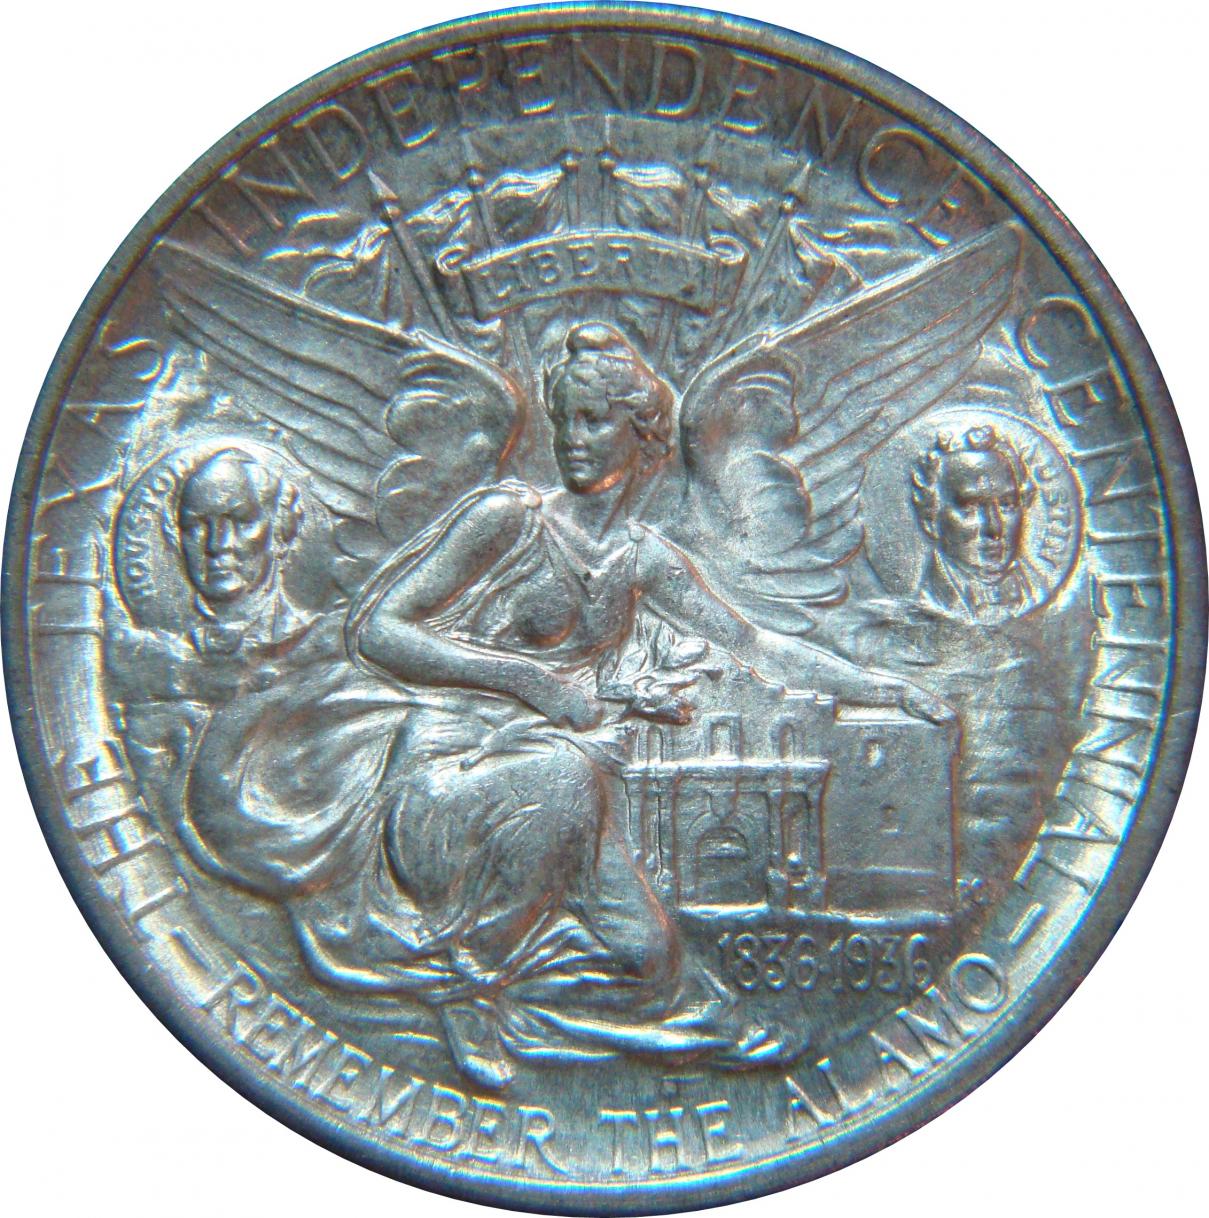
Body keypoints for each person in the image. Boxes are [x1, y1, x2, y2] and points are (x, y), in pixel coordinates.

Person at [182, 323, 948, 1090]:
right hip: (445, 773)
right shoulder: (507, 519)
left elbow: (756, 643)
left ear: (640, 433)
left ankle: (525, 1010)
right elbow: (378, 630)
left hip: (559, 785)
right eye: (563, 420)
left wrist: (879, 687)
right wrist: (529, 680)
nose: (571, 439)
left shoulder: (644, 559)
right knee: (564, 773)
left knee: (648, 960)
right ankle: (466, 979)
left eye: (593, 420)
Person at [910, 424, 1041, 624]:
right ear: (930, 520)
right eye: (969, 508)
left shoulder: (1039, 591)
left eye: (1007, 505)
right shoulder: (922, 607)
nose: (994, 528)